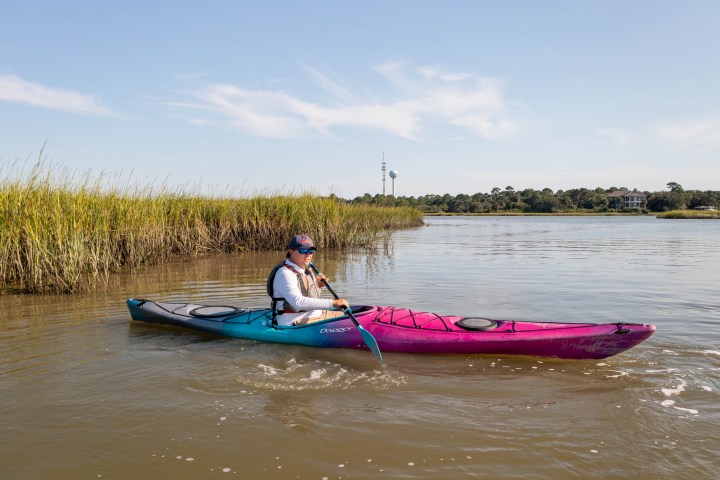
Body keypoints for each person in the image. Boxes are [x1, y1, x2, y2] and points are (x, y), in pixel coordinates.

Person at [267, 234, 349, 327]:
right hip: (293, 321)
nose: (308, 254)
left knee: (360, 312)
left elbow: (309, 296)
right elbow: (298, 303)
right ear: (291, 252)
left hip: (316, 315)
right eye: (303, 250)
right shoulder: (285, 273)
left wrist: (317, 286)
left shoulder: (306, 271)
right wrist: (333, 303)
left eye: (311, 250)